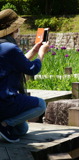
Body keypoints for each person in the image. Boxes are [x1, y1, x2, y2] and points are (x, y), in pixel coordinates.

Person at [0, 9, 50, 143]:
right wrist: (41, 54)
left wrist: (34, 50)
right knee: (40, 105)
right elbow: (32, 69)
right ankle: (5, 125)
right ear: (13, 29)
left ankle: (6, 124)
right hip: (5, 100)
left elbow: (20, 63)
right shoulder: (10, 48)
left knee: (22, 129)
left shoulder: (3, 47)